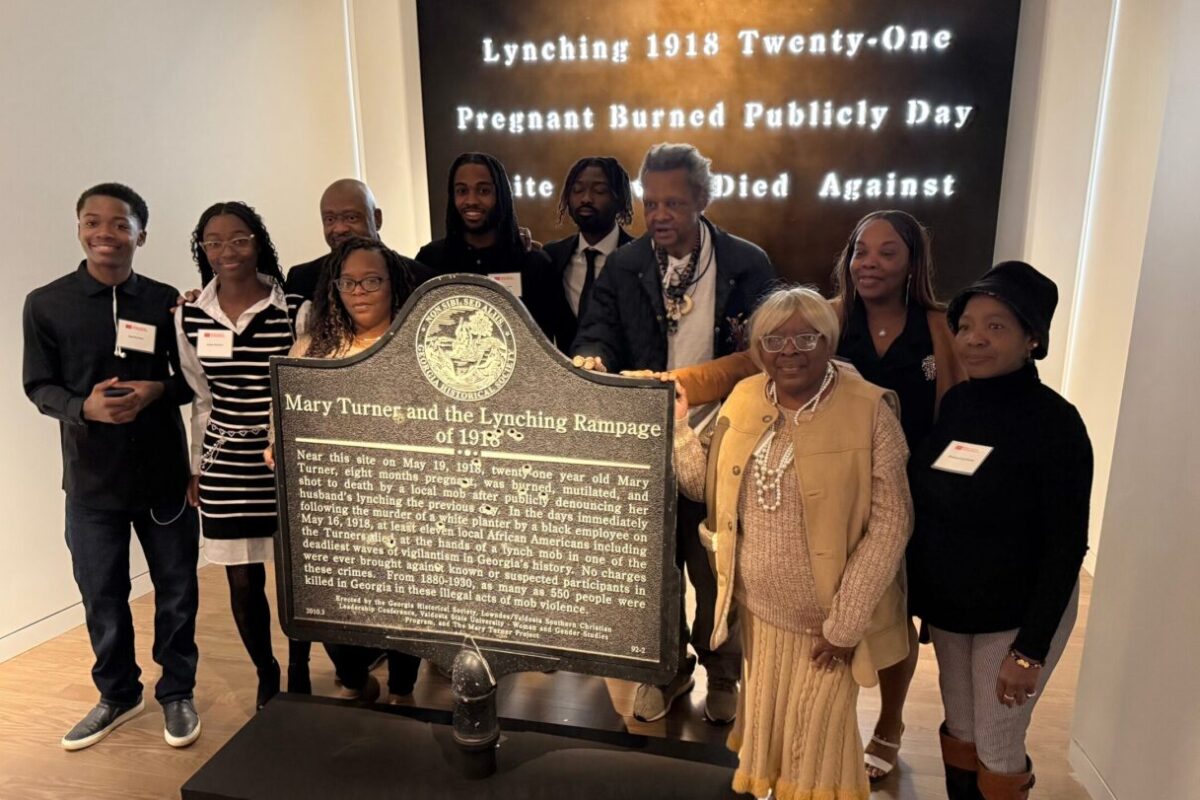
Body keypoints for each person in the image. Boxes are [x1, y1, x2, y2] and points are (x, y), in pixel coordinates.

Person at [673, 209, 966, 779]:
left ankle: (890, 724)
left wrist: (842, 621)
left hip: (902, 489)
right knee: (780, 726)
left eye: (888, 251)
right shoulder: (819, 320)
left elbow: (959, 413)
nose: (871, 262)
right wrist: (677, 400)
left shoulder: (930, 334)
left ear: (912, 262)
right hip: (785, 569)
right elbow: (742, 378)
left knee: (889, 612)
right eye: (862, 250)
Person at [672, 284, 911, 799]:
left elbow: (892, 525)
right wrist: (678, 430)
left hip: (830, 625)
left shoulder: (870, 410)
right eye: (775, 341)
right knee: (777, 742)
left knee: (818, 750)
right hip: (761, 615)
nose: (790, 352)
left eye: (807, 338)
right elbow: (703, 487)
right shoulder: (744, 395)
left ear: (829, 341)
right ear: (758, 349)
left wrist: (845, 626)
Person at [573, 143, 775, 724]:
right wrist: (591, 358)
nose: (659, 214)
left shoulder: (747, 263)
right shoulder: (625, 264)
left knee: (714, 564)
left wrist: (684, 383)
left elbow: (762, 353)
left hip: (724, 439)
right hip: (644, 446)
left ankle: (722, 671)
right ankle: (662, 671)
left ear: (703, 201)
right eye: (651, 202)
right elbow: (597, 332)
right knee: (653, 572)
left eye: (673, 203)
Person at [23, 183, 201, 750]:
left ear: (140, 235)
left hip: (163, 477)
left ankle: (178, 692)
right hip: (90, 482)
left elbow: (189, 381)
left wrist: (154, 390)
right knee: (102, 593)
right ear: (78, 228)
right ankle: (118, 694)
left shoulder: (166, 299)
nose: (106, 233)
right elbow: (38, 385)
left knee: (176, 589)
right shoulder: (46, 303)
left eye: (120, 224)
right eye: (93, 222)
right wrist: (84, 408)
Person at [907, 262, 1091, 800]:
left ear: (1032, 339)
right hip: (954, 609)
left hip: (1015, 615)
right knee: (961, 732)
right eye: (965, 326)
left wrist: (1029, 650)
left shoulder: (1056, 422)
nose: (973, 340)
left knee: (997, 740)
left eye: (995, 327)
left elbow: (1065, 545)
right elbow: (933, 498)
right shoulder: (959, 403)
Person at [266, 236, 432, 705]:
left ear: (393, 284)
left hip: (407, 509)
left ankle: (403, 689)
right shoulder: (310, 350)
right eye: (349, 281)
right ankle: (356, 677)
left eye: (372, 280)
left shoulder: (420, 348)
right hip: (335, 512)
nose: (359, 291)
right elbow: (281, 420)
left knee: (408, 610)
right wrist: (276, 445)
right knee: (332, 611)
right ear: (335, 287)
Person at [175, 201, 309, 710]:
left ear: (259, 242)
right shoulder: (188, 316)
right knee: (242, 578)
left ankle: (299, 667)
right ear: (201, 249)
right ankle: (265, 671)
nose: (227, 250)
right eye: (213, 241)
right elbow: (201, 400)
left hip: (284, 459)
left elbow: (301, 390)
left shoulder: (294, 309)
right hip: (225, 462)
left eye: (239, 239)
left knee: (294, 576)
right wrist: (195, 467)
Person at [415, 153, 556, 335]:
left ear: (501, 196)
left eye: (483, 191)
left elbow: (553, 342)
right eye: (462, 191)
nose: (471, 201)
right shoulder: (430, 260)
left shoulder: (534, 264)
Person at [538, 156, 635, 352]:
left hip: (625, 378)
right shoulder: (552, 256)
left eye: (599, 190)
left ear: (620, 199)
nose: (586, 199)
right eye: (577, 190)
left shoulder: (640, 258)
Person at [284, 178, 384, 303]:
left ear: (377, 219)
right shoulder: (301, 279)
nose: (340, 229)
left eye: (351, 218)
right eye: (330, 219)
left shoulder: (411, 274)